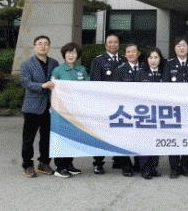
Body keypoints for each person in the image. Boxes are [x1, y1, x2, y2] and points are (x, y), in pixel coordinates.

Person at [19, 35, 58, 178]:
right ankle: (27, 166)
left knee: (47, 138)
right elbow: (26, 82)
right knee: (28, 139)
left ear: (49, 47)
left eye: (46, 44)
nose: (43, 46)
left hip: (50, 107)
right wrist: (42, 85)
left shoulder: (54, 63)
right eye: (40, 43)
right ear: (35, 46)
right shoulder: (26, 64)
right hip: (32, 107)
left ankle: (44, 163)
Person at [162, 36, 188, 178]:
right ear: (174, 48)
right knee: (173, 136)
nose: (181, 48)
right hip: (174, 107)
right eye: (178, 46)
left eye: (184, 45)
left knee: (187, 137)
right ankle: (174, 167)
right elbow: (165, 83)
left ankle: (185, 166)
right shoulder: (169, 63)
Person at [89, 33, 125, 174]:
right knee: (101, 134)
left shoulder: (124, 59)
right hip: (104, 103)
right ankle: (98, 163)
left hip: (121, 104)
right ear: (105, 45)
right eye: (110, 42)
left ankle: (118, 160)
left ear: (119, 44)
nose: (113, 44)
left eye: (115, 42)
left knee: (120, 132)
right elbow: (95, 83)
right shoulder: (98, 61)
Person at [51, 42, 87, 178]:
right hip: (62, 110)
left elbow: (88, 87)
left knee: (73, 137)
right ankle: (60, 167)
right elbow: (53, 90)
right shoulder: (58, 70)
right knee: (62, 138)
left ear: (78, 55)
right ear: (64, 55)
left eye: (74, 53)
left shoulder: (82, 70)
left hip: (77, 110)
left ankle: (69, 164)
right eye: (68, 53)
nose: (71, 55)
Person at [114, 43, 144, 177]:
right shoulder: (119, 70)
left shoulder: (145, 68)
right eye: (128, 52)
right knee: (124, 138)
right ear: (125, 55)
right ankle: (126, 165)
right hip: (125, 110)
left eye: (133, 51)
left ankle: (138, 163)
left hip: (141, 110)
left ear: (138, 53)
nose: (131, 54)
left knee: (139, 136)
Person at [136, 48, 164, 180]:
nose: (153, 60)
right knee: (145, 140)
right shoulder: (141, 73)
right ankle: (145, 168)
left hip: (160, 112)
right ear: (147, 59)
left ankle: (153, 167)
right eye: (150, 57)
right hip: (145, 112)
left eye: (156, 57)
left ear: (160, 59)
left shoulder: (164, 73)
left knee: (156, 140)